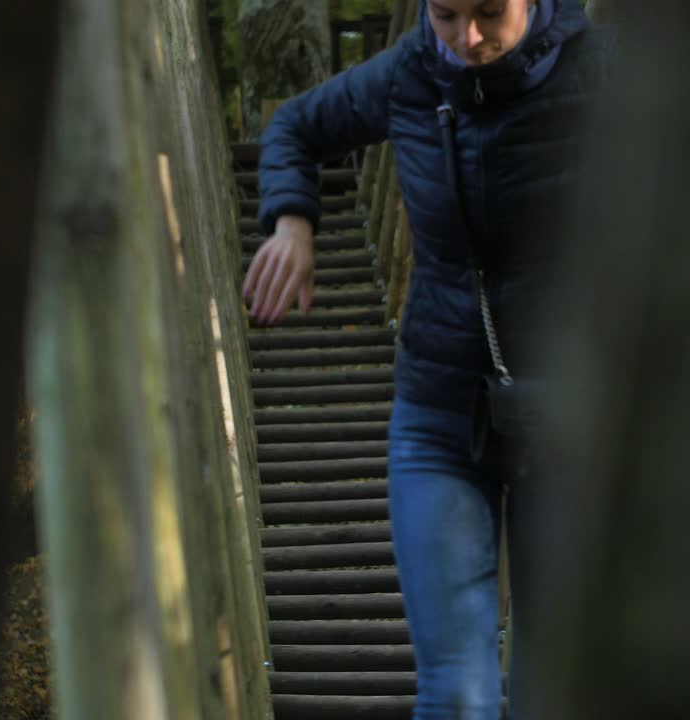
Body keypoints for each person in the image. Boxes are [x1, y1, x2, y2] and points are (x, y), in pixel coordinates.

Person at [243, 1, 612, 717]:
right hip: (440, 414)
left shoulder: (604, 70)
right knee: (458, 692)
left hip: (575, 419)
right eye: (445, 14)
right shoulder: (410, 74)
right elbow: (295, 125)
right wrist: (292, 222)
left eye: (487, 13)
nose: (466, 38)